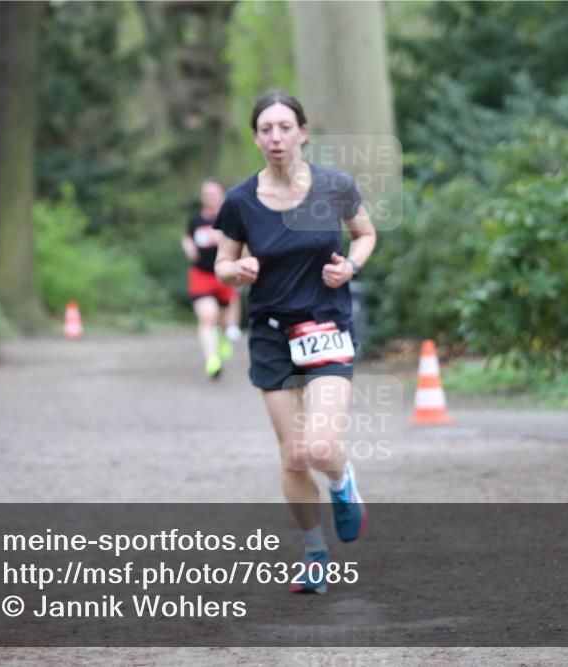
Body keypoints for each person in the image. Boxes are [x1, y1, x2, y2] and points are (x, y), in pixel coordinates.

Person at [214, 91, 377, 593]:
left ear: (303, 132)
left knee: (321, 446)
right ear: (256, 137)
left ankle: (342, 482)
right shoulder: (241, 200)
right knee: (292, 456)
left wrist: (350, 265)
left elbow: (366, 234)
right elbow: (221, 263)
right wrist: (236, 271)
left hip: (324, 326)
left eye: (285, 127)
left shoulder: (334, 186)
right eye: (266, 129)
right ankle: (315, 554)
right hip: (270, 335)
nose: (276, 137)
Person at [182, 179, 241, 379]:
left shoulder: (230, 218)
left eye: (214, 194)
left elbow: (244, 240)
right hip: (202, 274)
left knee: (223, 320)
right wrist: (188, 246)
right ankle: (212, 360)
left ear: (222, 196)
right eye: (207, 195)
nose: (211, 198)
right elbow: (187, 236)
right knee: (208, 316)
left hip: (224, 275)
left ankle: (223, 338)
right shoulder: (196, 220)